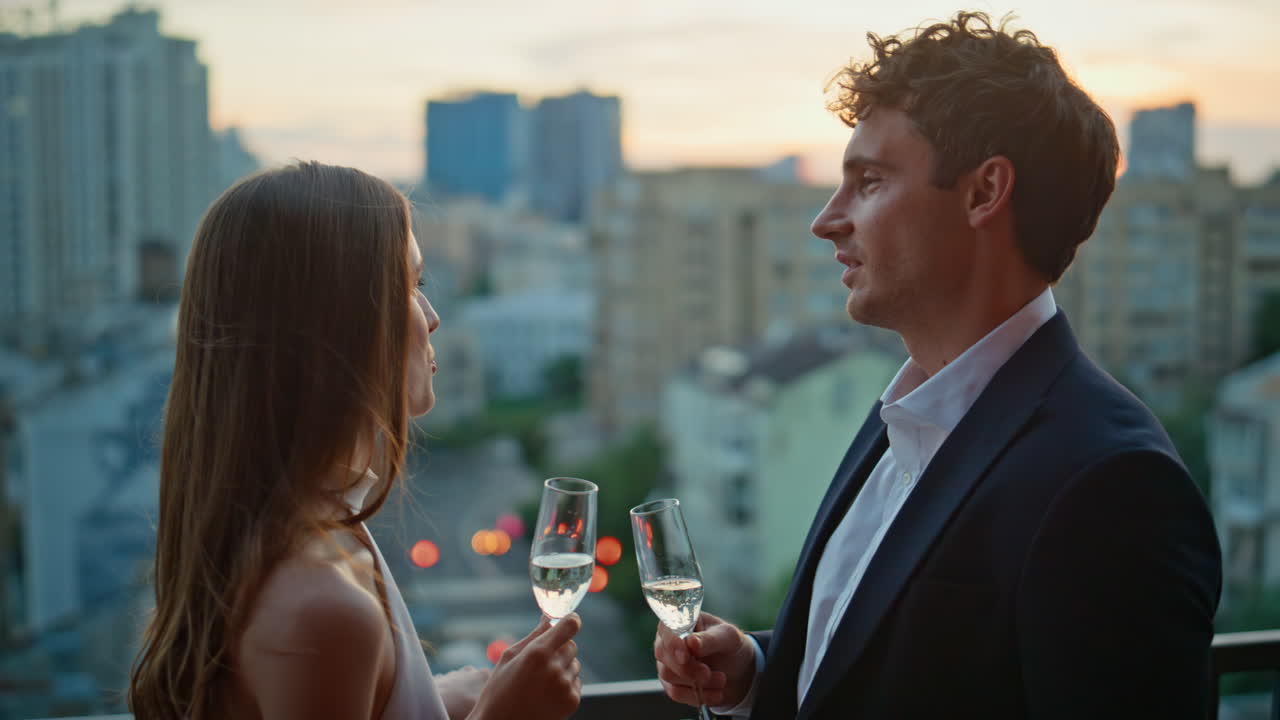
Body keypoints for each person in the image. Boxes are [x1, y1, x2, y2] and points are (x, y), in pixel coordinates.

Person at [654, 11, 1222, 719]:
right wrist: (761, 673)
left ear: (984, 192)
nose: (826, 220)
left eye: (869, 181)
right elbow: (903, 661)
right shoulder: (901, 417)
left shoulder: (1113, 486)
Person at [128, 162, 582, 720]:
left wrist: (433, 700)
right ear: (336, 328)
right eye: (412, 286)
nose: (433, 318)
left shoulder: (293, 533)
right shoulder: (322, 608)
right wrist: (503, 714)